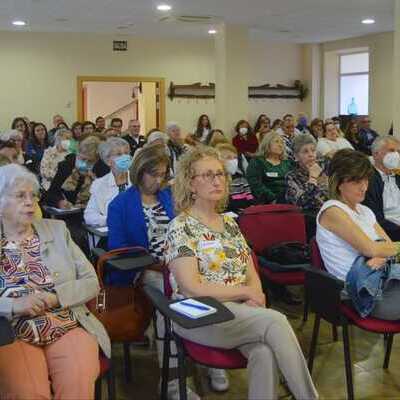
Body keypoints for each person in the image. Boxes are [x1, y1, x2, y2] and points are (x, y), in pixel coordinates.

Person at [164, 147, 318, 400]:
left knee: (264, 353)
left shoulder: (230, 222)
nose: (217, 180)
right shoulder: (180, 227)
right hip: (198, 313)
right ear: (190, 184)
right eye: (207, 175)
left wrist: (255, 291)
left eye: (220, 174)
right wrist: (246, 291)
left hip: (239, 311)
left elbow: (249, 266)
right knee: (276, 320)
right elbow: (192, 288)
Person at [0, 164, 110, 399]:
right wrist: (12, 306)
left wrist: (57, 296)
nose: (30, 202)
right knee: (27, 392)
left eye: (34, 195)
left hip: (66, 323)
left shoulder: (58, 230)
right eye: (20, 196)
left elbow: (92, 282)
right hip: (12, 330)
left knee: (78, 387)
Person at [107, 144, 202, 400]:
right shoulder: (120, 205)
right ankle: (173, 381)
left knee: (197, 294)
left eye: (162, 174)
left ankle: (205, 361)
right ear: (139, 172)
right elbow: (118, 248)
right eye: (153, 174)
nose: (158, 180)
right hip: (144, 270)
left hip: (177, 264)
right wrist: (154, 262)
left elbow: (185, 229)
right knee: (171, 306)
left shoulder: (168, 197)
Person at [317, 149, 400, 320]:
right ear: (339, 182)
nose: (364, 187)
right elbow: (371, 249)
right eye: (356, 181)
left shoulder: (365, 211)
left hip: (384, 278)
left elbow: (388, 246)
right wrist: (379, 252)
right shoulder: (332, 210)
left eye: (365, 180)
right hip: (361, 291)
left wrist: (382, 254)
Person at [285, 134, 329, 238]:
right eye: (305, 151)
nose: (311, 155)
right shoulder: (292, 176)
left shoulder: (325, 170)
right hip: (310, 222)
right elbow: (302, 204)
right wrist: (313, 178)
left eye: (313, 150)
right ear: (296, 157)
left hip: (331, 216)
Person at [84, 137, 132, 227]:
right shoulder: (99, 184)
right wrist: (110, 219)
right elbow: (89, 215)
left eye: (126, 153)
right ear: (108, 161)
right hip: (111, 232)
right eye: (119, 154)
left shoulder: (138, 180)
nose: (125, 157)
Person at [46, 135, 100, 209]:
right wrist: (59, 202)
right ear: (77, 154)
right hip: (68, 212)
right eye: (83, 159)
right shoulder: (66, 166)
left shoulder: (100, 171)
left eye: (90, 161)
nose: (85, 164)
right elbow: (51, 194)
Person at [363, 136, 400, 241]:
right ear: (376, 154)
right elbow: (374, 219)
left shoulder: (397, 176)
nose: (396, 155)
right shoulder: (367, 180)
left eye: (398, 151)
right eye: (392, 151)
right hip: (388, 232)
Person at [246, 133, 292, 204]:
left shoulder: (288, 163)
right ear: (267, 143)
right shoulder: (257, 162)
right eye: (276, 142)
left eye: (282, 142)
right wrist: (273, 199)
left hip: (288, 201)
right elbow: (255, 184)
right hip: (266, 202)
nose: (280, 145)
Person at [216, 142, 254, 213]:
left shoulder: (241, 179)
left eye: (235, 158)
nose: (233, 161)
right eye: (229, 158)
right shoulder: (216, 181)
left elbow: (250, 198)